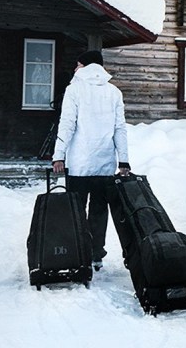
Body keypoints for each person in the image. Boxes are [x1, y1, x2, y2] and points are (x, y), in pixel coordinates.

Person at [51, 50, 131, 271]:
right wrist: (123, 161)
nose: (75, 69)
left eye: (78, 65)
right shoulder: (114, 92)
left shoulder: (74, 89)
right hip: (104, 164)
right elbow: (120, 129)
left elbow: (67, 124)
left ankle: (77, 251)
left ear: (86, 66)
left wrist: (59, 155)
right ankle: (96, 254)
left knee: (76, 210)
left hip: (79, 164)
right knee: (98, 211)